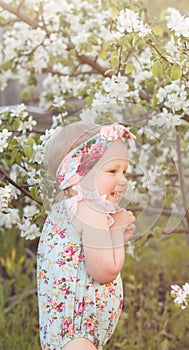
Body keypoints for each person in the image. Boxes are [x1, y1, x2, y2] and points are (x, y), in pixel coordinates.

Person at [37, 121, 136, 350]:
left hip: (68, 331)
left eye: (124, 171)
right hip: (79, 332)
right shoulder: (91, 211)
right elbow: (105, 271)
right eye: (112, 171)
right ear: (77, 174)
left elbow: (84, 254)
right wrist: (117, 229)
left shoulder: (67, 209)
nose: (122, 180)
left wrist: (114, 237)